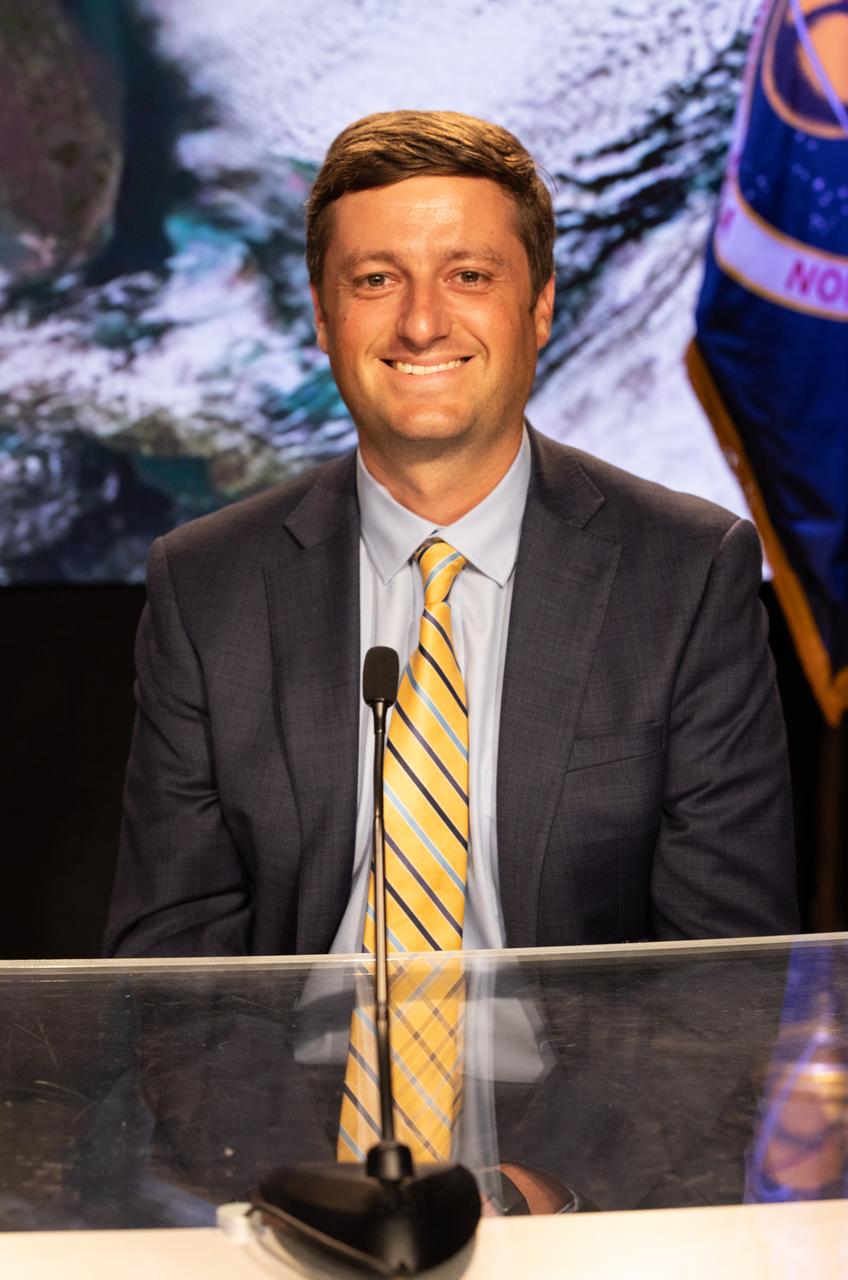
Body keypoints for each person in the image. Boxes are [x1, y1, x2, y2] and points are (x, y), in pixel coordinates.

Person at [104, 110, 797, 959]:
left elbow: (727, 970)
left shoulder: (688, 575)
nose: (422, 323)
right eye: (375, 281)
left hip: (585, 1086)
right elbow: (170, 966)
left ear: (539, 307)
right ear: (324, 319)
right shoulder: (207, 586)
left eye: (468, 275)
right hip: (296, 1085)